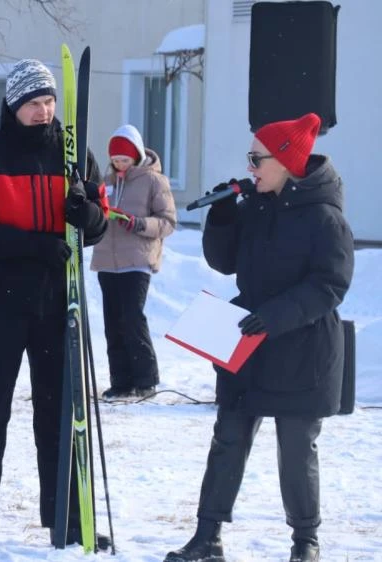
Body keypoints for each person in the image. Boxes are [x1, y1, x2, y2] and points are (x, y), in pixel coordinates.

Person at [165, 113, 353, 562]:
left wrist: (275, 316)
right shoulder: (255, 206)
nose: (250, 167)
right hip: (248, 346)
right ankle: (207, 536)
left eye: (257, 158)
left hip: (303, 351)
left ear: (286, 161)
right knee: (227, 439)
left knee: (295, 450)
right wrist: (224, 217)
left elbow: (330, 285)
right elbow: (224, 262)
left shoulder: (325, 218)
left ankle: (305, 541)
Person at [0, 58, 109, 552]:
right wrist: (31, 244)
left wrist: (88, 215)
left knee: (61, 413)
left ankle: (68, 515)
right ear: (13, 106)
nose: (43, 111)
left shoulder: (75, 152)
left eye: (48, 102)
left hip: (61, 299)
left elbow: (100, 223)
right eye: (33, 104)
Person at [91, 124, 176, 399]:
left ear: (137, 156)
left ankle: (146, 379)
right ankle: (121, 381)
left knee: (132, 319)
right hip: (107, 260)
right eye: (115, 161)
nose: (119, 165)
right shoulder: (108, 181)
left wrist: (138, 223)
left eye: (124, 160)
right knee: (112, 323)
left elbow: (167, 222)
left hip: (137, 261)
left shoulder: (154, 181)